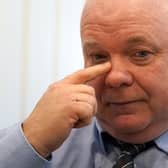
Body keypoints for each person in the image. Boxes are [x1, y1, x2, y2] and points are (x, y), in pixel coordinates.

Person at [1, 0, 168, 167]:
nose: (115, 78)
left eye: (141, 53)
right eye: (98, 57)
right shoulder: (39, 144)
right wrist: (32, 142)